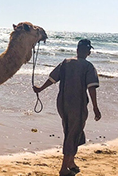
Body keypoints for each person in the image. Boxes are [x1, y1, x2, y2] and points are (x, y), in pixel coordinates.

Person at [32, 39, 102, 176]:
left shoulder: (65, 62)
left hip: (62, 103)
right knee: (73, 133)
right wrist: (95, 107)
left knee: (70, 131)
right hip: (78, 104)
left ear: (77, 50)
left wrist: (40, 89)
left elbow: (52, 79)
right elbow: (91, 88)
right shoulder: (88, 66)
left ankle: (71, 162)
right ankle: (64, 168)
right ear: (88, 52)